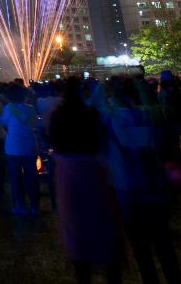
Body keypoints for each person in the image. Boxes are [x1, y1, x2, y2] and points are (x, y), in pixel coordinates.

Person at [97, 76, 181, 284]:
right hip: (155, 188)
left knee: (142, 250)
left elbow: (93, 104)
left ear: (112, 95)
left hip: (129, 193)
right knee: (165, 247)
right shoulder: (148, 115)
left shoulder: (111, 119)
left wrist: (101, 87)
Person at [50, 77, 122, 284]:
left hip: (68, 173)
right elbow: (100, 139)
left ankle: (83, 273)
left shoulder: (58, 114)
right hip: (94, 169)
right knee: (103, 222)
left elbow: (54, 141)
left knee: (75, 227)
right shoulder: (91, 113)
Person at [0, 85, 40, 215]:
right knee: (32, 177)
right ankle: (34, 206)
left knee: (15, 178)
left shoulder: (8, 108)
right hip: (30, 147)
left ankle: (20, 206)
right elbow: (34, 125)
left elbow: (3, 123)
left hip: (13, 148)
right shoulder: (31, 109)